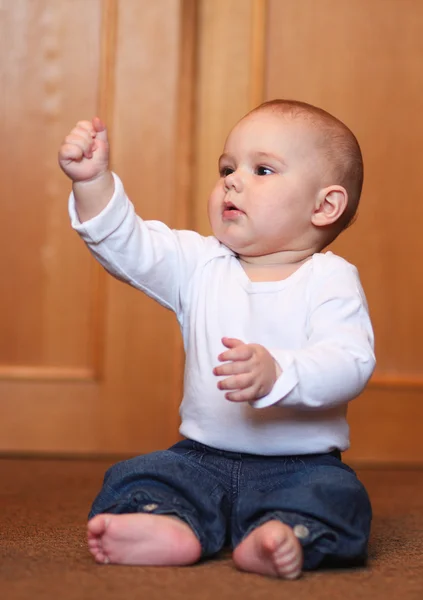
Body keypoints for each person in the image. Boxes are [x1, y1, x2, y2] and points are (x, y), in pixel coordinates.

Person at [58, 99, 375, 579]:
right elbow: (132, 245)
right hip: (201, 457)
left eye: (262, 169)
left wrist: (278, 372)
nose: (231, 179)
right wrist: (92, 184)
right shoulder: (201, 264)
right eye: (227, 167)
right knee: (141, 476)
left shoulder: (331, 280)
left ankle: (283, 533)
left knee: (338, 499)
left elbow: (349, 360)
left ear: (324, 205)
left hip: (301, 464)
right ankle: (168, 525)